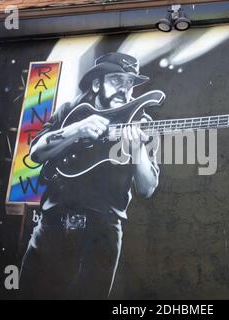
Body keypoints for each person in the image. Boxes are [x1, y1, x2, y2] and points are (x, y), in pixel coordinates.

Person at [20, 52, 160, 299]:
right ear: (97, 83)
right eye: (117, 80)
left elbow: (147, 189)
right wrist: (76, 130)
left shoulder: (141, 122)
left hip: (102, 235)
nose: (125, 89)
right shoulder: (70, 111)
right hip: (51, 226)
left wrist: (138, 150)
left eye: (130, 83)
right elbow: (36, 153)